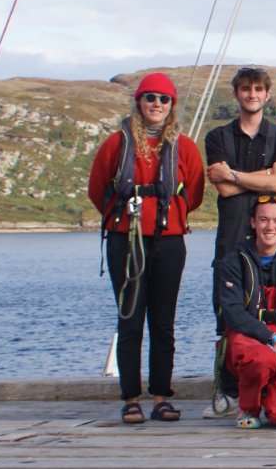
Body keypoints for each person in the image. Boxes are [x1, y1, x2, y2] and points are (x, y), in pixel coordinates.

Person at [87, 72, 204, 424]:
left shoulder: (184, 147)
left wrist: (168, 214)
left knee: (163, 322)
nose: (156, 104)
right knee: (130, 319)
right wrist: (123, 218)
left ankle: (161, 397)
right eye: (150, 97)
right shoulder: (116, 144)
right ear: (138, 101)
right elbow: (97, 189)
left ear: (171, 105)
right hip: (126, 239)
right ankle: (131, 398)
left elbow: (195, 192)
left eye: (164, 99)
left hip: (168, 240)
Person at [201, 66, 276, 419]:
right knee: (226, 316)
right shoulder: (217, 137)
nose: (251, 94)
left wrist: (235, 174)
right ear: (236, 93)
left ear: (267, 94)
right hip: (231, 241)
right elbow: (223, 188)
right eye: (245, 88)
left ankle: (274, 385)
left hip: (273, 242)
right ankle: (225, 392)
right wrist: (264, 177)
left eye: (258, 88)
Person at [215, 194, 276, 429]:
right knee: (262, 359)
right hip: (246, 340)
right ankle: (248, 406)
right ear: (253, 222)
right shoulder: (232, 263)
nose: (270, 227)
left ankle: (269, 395)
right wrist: (272, 338)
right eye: (264, 220)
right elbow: (233, 313)